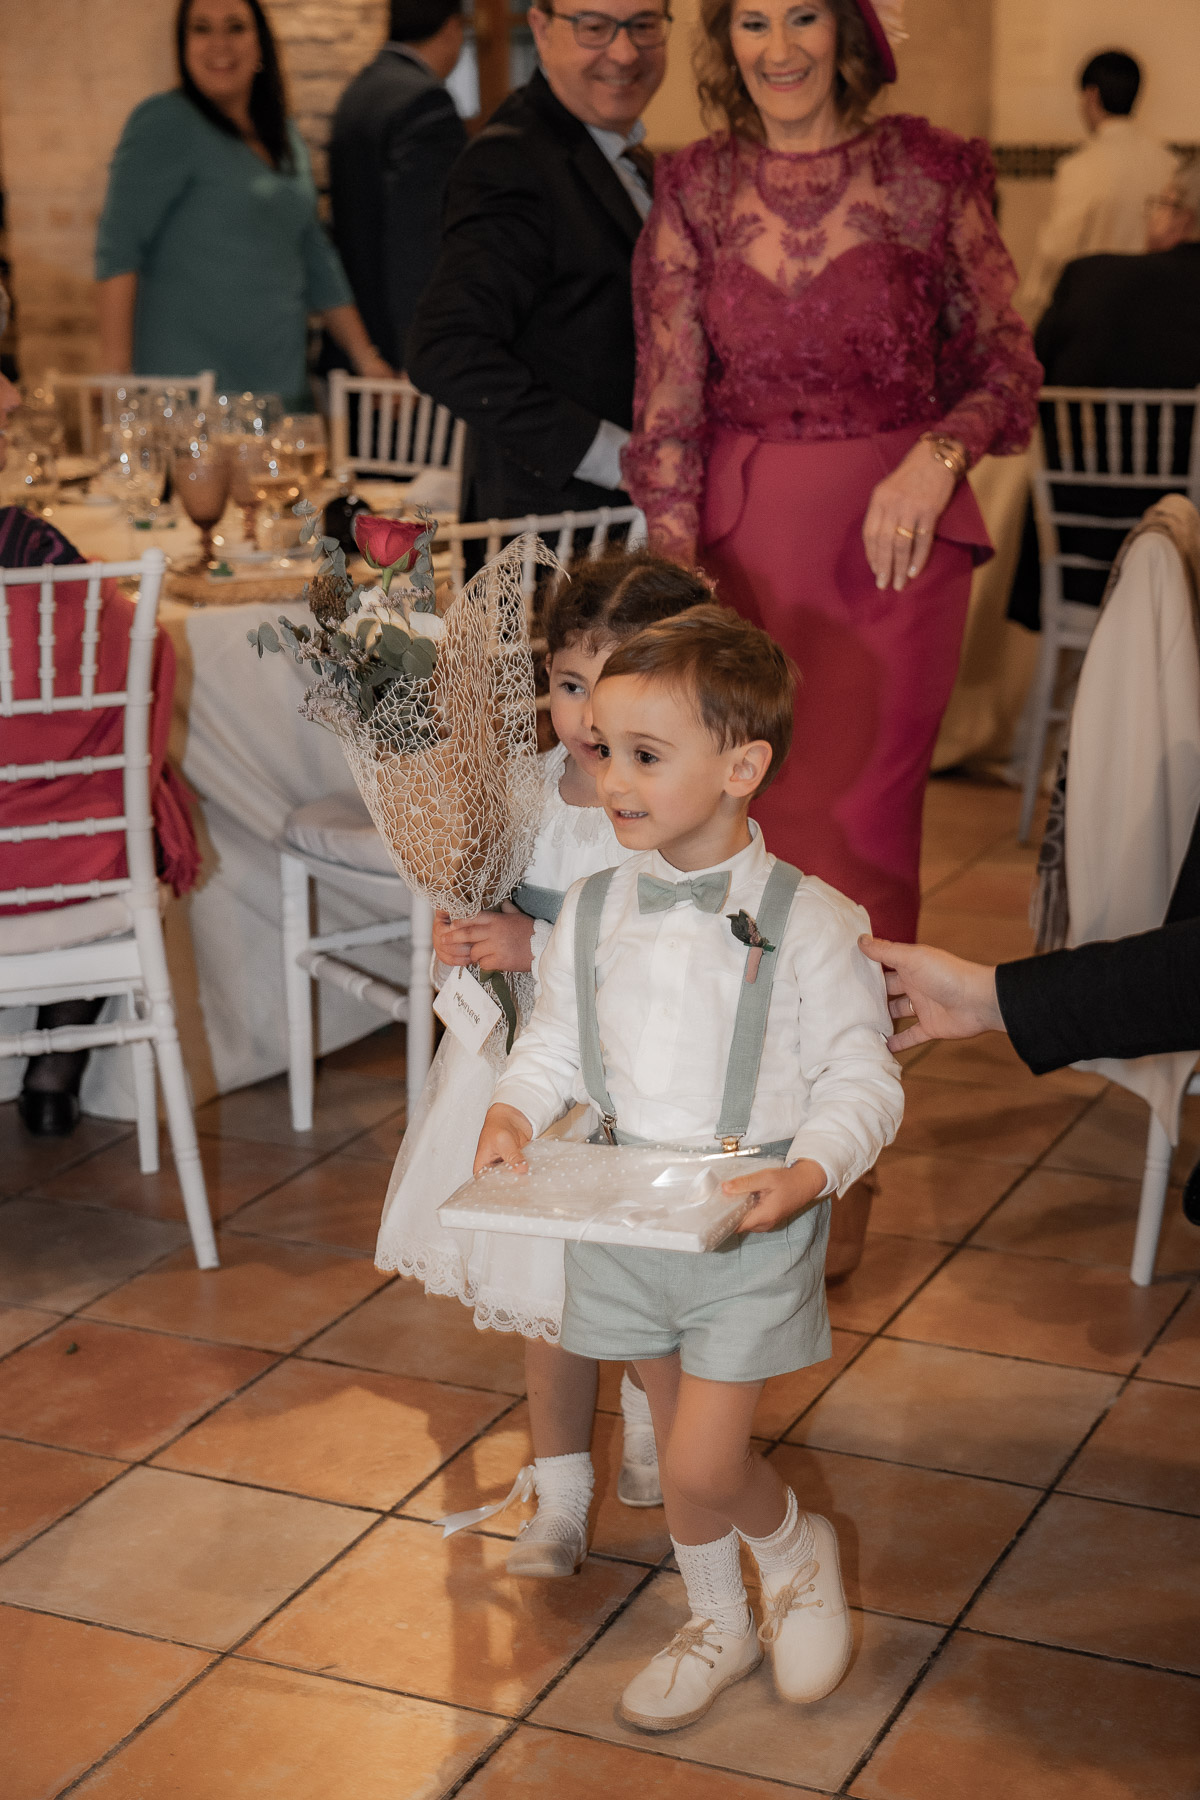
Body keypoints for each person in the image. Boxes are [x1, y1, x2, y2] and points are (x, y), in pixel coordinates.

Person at [476, 607, 903, 1728]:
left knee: (708, 1464)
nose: (611, 777)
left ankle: (795, 1553)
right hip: (624, 1213)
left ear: (741, 767)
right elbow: (553, 1043)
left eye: (646, 756)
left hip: (748, 1218)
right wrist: (516, 1111)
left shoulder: (813, 922)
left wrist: (810, 1175)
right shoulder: (593, 907)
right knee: (677, 1451)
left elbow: (863, 1079)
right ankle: (716, 1616)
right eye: (603, 748)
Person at [623, 0, 1041, 950]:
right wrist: (676, 578)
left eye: (803, 16)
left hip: (894, 553)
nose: (780, 48)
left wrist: (935, 461)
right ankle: (744, 1074)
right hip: (739, 561)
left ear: (847, 30)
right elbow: (670, 399)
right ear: (726, 40)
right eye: (754, 22)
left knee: (868, 828)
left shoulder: (930, 171)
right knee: (746, 813)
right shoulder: (696, 183)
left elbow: (1006, 362)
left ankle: (862, 1079)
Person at [376, 551, 714, 1575]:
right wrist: (467, 926)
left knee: (649, 1302)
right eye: (569, 686)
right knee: (545, 1295)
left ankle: (665, 1441)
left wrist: (540, 943)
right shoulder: (521, 789)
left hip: (634, 1089)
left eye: (610, 694)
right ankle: (559, 1495)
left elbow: (680, 938)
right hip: (522, 1086)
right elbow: (486, 891)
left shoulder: (666, 801)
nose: (583, 719)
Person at [0, 318, 200, 1136]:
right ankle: (58, 1065)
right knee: (102, 799)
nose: (12, 396)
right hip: (67, 860)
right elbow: (138, 662)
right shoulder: (31, 547)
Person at [405, 0, 669, 527]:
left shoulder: (627, 157)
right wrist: (624, 460)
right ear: (541, 29)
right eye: (594, 27)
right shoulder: (512, 160)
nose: (624, 52)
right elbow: (446, 350)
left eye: (644, 25)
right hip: (559, 539)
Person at [95, 0, 390, 408]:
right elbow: (118, 249)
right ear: (183, 45)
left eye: (235, 27)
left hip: (281, 387)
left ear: (261, 44)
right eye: (201, 28)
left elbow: (315, 256)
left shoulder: (284, 136)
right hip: (191, 398)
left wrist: (366, 358)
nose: (220, 44)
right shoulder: (164, 122)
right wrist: (116, 376)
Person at [328, 0, 468, 373]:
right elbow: (420, 241)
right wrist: (419, 354)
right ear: (453, 27)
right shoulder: (427, 103)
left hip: (358, 339)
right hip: (399, 351)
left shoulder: (358, 90)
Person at [1019, 49, 1178, 322]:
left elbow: (1059, 246)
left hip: (1095, 311)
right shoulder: (1168, 164)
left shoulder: (1082, 166)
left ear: (1091, 95)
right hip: (1154, 309)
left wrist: (1037, 300)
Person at [1035, 156, 1200, 388]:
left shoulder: (1087, 276)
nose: (1150, 217)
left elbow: (1036, 370)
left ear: (1184, 220)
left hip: (1088, 423)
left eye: (1162, 204)